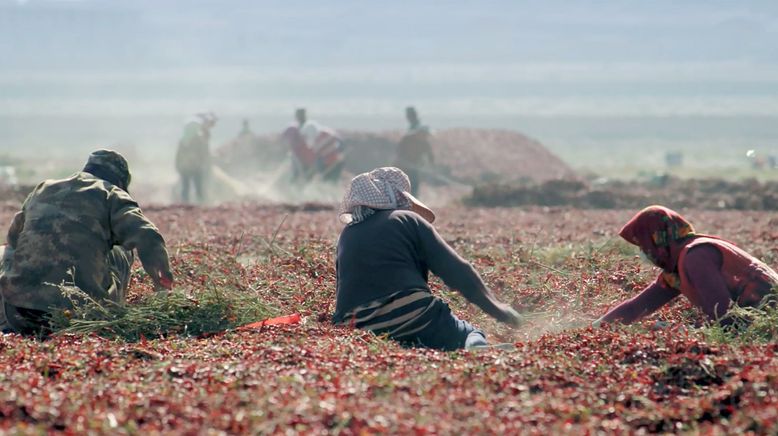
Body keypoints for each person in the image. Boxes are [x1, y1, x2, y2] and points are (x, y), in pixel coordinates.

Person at [333, 167, 522, 350]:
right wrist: (498, 309)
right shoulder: (406, 219)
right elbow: (455, 269)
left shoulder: (346, 235)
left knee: (411, 340)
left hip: (356, 325)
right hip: (413, 313)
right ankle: (476, 347)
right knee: (469, 332)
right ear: (396, 196)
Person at [0, 150, 173, 335]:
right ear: (120, 182)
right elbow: (147, 234)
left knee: (5, 250)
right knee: (122, 249)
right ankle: (112, 310)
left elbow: (13, 240)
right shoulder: (113, 194)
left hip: (19, 313)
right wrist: (161, 279)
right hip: (80, 316)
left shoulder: (44, 187)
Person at [595, 205, 778, 327]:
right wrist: (595, 327)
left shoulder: (696, 256)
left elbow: (723, 315)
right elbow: (636, 308)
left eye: (644, 245)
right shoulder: (677, 268)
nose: (644, 252)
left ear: (657, 240)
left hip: (770, 319)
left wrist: (678, 329)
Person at [282, 108, 345, 183]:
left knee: (330, 181)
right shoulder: (296, 129)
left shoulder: (322, 134)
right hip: (317, 161)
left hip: (333, 163)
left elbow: (339, 143)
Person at [395, 106, 434, 197]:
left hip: (414, 166)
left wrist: (430, 166)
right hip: (405, 166)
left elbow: (429, 154)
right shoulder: (407, 139)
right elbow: (400, 151)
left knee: (414, 184)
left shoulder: (423, 140)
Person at [175, 117, 213, 203]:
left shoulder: (184, 140)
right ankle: (198, 204)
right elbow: (204, 153)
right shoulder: (198, 139)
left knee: (187, 188)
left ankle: (187, 204)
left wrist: (178, 165)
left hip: (187, 167)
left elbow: (178, 155)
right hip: (195, 167)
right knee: (196, 187)